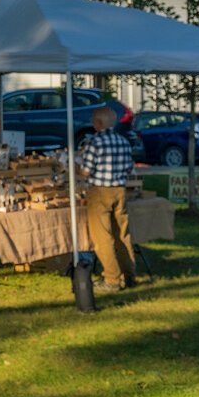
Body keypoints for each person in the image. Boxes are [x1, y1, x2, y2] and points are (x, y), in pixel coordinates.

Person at [76, 104, 137, 292]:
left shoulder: (95, 142)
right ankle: (130, 275)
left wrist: (76, 168)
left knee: (102, 237)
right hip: (119, 190)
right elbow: (129, 169)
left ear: (99, 123)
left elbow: (86, 172)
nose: (92, 124)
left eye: (94, 121)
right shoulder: (124, 141)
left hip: (100, 191)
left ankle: (112, 279)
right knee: (122, 235)